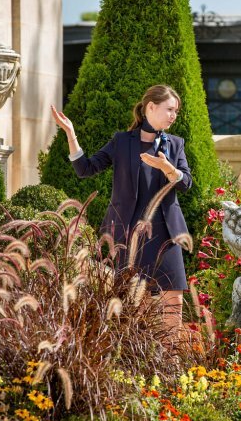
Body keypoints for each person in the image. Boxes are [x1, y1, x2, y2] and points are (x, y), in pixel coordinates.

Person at [50, 85, 191, 337]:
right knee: (138, 302)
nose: (173, 115)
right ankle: (143, 359)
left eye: (176, 112)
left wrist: (167, 167)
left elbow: (185, 183)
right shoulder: (122, 142)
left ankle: (174, 362)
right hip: (130, 234)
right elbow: (86, 168)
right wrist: (71, 134)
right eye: (170, 109)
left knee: (173, 301)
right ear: (150, 107)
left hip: (167, 233)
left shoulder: (175, 145)